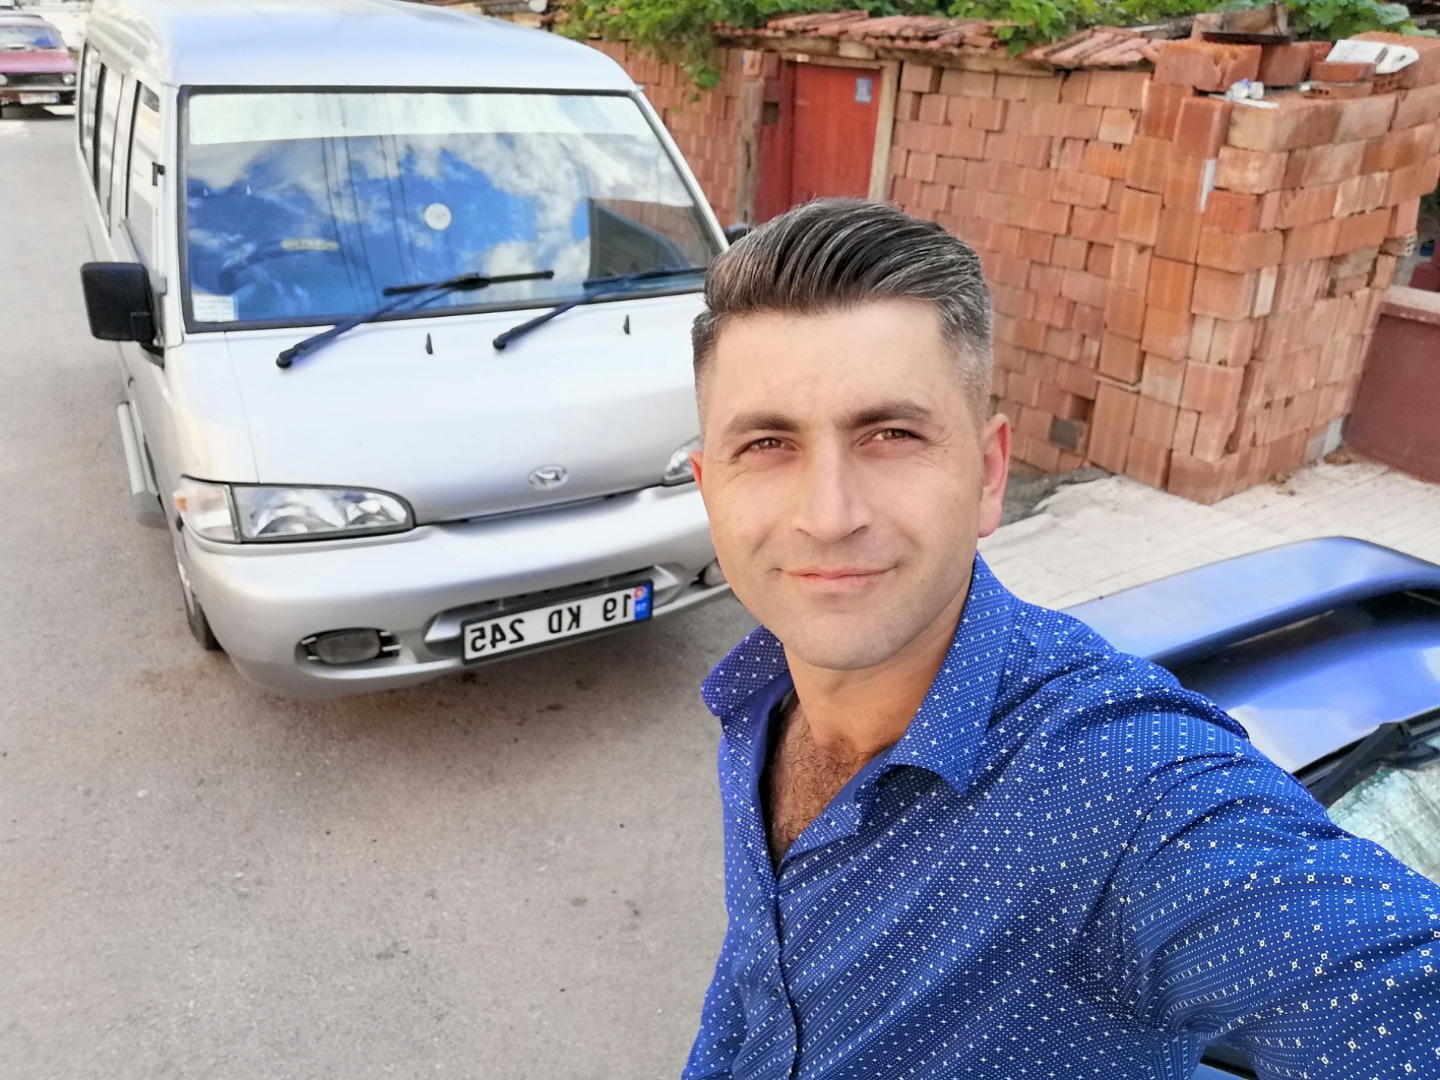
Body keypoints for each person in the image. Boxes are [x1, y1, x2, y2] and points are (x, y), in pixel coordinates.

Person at [681, 198, 1439, 1080]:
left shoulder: (1118, 789)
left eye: (891, 434)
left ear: (989, 473)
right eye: (768, 444)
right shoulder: (760, 694)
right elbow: (755, 988)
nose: (828, 514)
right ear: (708, 488)